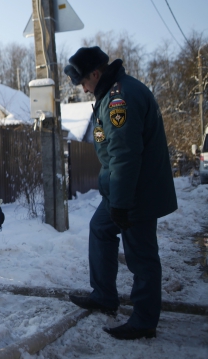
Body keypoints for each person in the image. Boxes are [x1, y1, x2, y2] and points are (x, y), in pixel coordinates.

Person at [64, 46, 177, 340]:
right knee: (100, 228)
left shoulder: (119, 98)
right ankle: (104, 295)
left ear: (95, 74)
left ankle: (144, 320)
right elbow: (108, 145)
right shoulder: (108, 95)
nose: (83, 89)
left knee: (141, 254)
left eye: (83, 82)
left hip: (137, 191)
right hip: (121, 188)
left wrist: (122, 203)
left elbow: (125, 155)